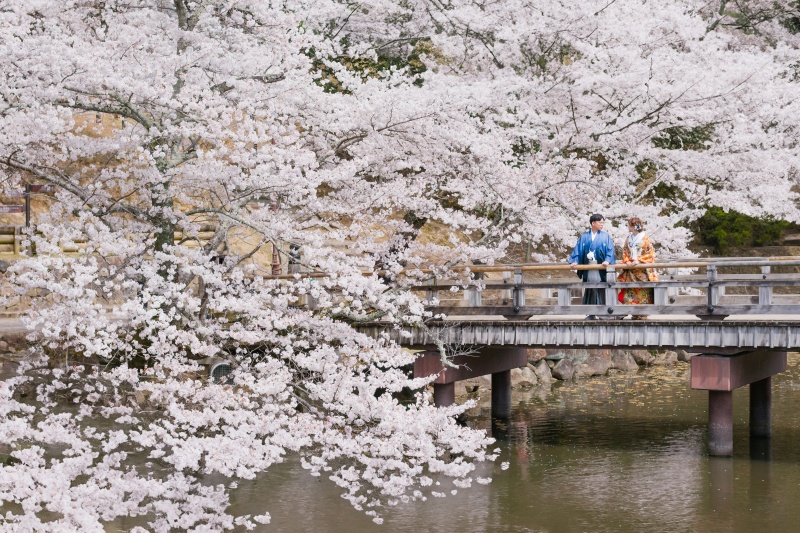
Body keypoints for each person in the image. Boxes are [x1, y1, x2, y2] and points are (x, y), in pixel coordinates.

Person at [568, 213, 616, 319]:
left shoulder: (605, 236)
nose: (602, 224)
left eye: (603, 222)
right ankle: (591, 313)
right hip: (589, 267)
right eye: (600, 222)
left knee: (602, 288)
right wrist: (575, 261)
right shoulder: (584, 237)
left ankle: (603, 313)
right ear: (593, 223)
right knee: (590, 288)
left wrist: (607, 260)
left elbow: (610, 250)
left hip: (601, 267)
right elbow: (578, 250)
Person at [616, 216, 658, 319]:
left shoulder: (645, 238)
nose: (628, 227)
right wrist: (627, 261)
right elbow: (625, 251)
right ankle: (633, 312)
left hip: (642, 270)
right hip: (631, 269)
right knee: (630, 291)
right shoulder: (628, 238)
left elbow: (650, 253)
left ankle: (643, 313)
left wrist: (638, 260)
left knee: (643, 291)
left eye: (629, 225)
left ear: (633, 226)